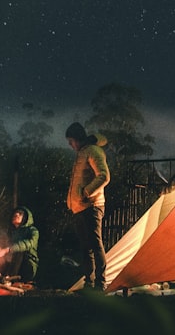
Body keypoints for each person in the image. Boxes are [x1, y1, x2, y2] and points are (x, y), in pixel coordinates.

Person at [65, 121, 110, 290]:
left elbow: (104, 176)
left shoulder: (93, 151)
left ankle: (100, 283)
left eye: (71, 141)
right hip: (80, 206)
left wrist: (86, 192)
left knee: (95, 244)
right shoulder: (82, 153)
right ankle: (89, 283)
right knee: (86, 247)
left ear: (77, 138)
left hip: (92, 205)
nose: (71, 145)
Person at [0, 206, 40, 282]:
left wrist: (6, 250)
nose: (16, 214)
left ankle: (9, 279)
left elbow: (26, 244)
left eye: (20, 214)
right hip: (12, 265)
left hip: (27, 268)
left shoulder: (33, 231)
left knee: (18, 251)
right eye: (15, 213)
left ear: (26, 217)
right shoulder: (9, 231)